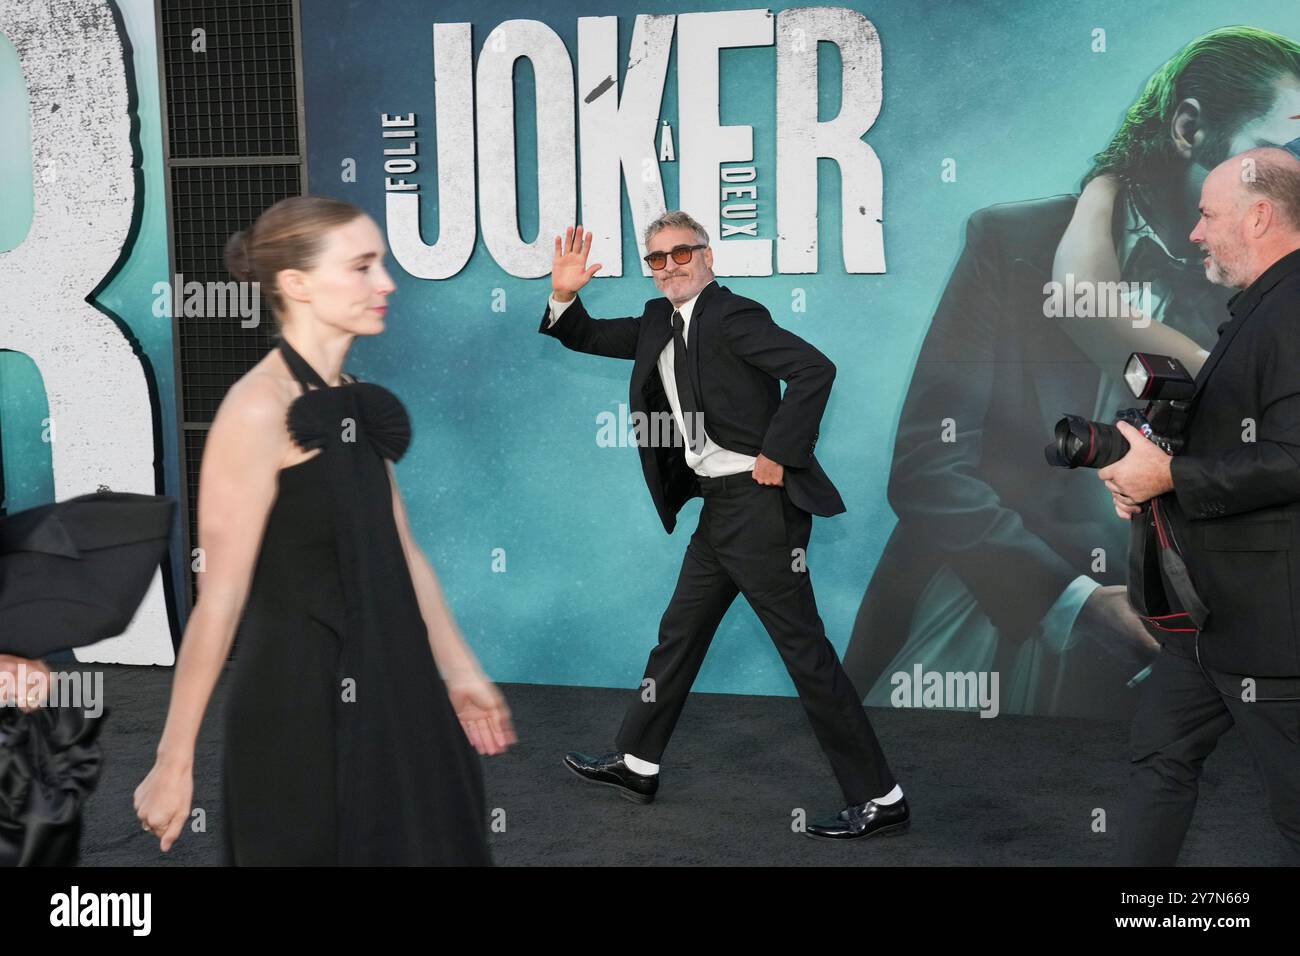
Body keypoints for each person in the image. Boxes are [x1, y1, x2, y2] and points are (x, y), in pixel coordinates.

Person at [843, 26, 1300, 718]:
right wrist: (1075, 604)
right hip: (980, 630)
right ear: (1188, 129)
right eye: (1280, 153)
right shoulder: (1012, 242)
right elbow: (928, 466)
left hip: (1180, 652)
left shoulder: (1267, 286)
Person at [132, 196, 515, 865]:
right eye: (364, 266)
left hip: (392, 681)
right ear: (296, 283)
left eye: (383, 264)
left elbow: (404, 550)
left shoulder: (354, 395)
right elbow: (217, 602)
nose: (387, 283)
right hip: (297, 698)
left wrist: (459, 671)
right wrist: (174, 760)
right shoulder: (255, 410)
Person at [540, 211, 905, 839]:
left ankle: (881, 797)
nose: (671, 265)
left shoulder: (734, 315)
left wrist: (779, 453)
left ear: (707, 256)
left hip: (760, 509)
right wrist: (565, 295)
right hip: (719, 507)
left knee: (804, 652)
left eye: (682, 253)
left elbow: (816, 369)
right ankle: (636, 762)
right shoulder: (660, 319)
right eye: (657, 258)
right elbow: (587, 335)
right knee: (679, 633)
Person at [1100, 145, 1300, 864]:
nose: (1194, 233)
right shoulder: (1260, 306)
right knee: (1158, 759)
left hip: (1274, 626)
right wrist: (1147, 471)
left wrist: (1171, 478)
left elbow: (1293, 458)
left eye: (1207, 215)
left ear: (1258, 215)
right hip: (1210, 623)